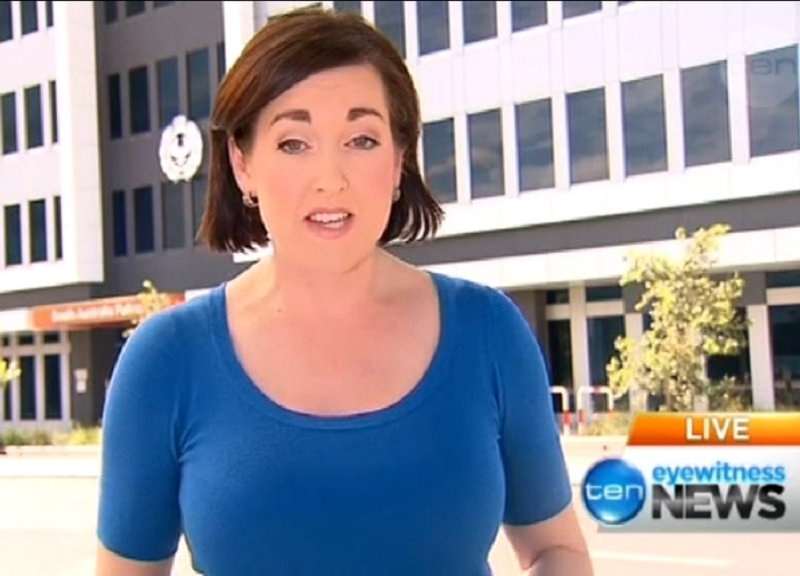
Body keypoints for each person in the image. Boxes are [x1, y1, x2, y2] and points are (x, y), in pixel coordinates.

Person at [95, 7, 593, 576]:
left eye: (361, 139)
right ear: (242, 163)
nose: (330, 179)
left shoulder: (488, 331)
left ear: (399, 159)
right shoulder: (166, 358)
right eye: (294, 143)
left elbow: (557, 551)